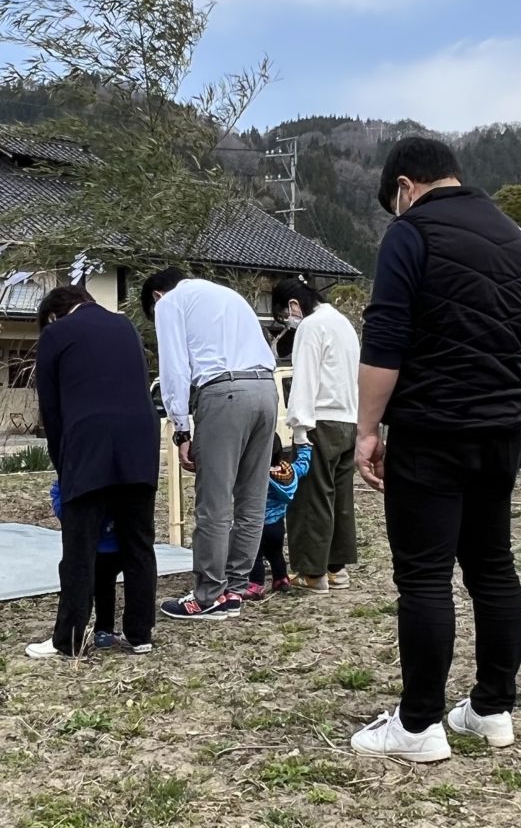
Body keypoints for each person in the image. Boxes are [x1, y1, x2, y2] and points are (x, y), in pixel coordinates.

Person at [350, 137, 521, 763]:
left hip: (432, 427)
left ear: (405, 186)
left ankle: (419, 724)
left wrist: (367, 429)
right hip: (500, 425)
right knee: (492, 566)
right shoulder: (515, 237)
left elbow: (386, 341)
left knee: (425, 576)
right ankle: (492, 709)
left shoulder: (413, 233)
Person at [25, 284, 161, 659]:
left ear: (54, 314)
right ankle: (140, 633)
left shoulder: (55, 333)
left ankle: (68, 639)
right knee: (138, 543)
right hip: (140, 443)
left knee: (80, 548)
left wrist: (62, 465)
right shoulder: (126, 326)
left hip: (87, 446)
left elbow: (51, 412)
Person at [142, 266, 276, 621]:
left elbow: (175, 369)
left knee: (214, 501)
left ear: (157, 296)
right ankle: (235, 586)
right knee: (252, 498)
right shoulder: (229, 297)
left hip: (223, 391)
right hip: (266, 388)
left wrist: (181, 429)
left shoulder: (170, 303)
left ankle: (207, 596)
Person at [272, 278, 361, 593]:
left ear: (294, 306)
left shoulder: (311, 327)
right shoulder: (344, 324)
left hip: (318, 422)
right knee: (339, 498)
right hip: (348, 419)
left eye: (286, 316)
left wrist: (298, 429)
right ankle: (337, 569)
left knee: (310, 498)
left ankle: (313, 573)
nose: (289, 323)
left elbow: (305, 379)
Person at [48, 478, 125, 648]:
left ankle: (76, 633)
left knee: (85, 587)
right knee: (105, 588)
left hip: (92, 549)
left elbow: (63, 509)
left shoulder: (73, 478)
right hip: (113, 547)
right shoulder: (117, 479)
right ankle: (104, 631)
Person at [247, 435, 312, 599]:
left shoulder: (256, 473)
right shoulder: (288, 471)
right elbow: (303, 466)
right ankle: (281, 579)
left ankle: (256, 584)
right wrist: (305, 448)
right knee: (276, 553)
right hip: (277, 525)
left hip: (258, 524)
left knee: (256, 556)